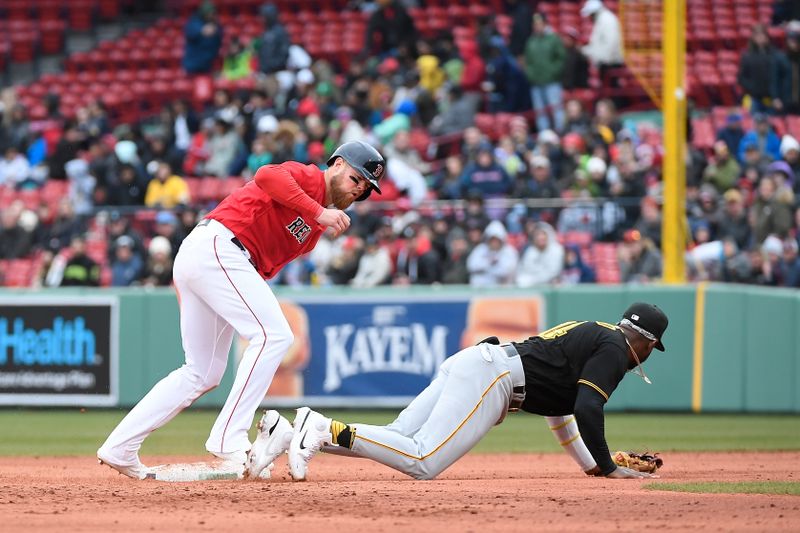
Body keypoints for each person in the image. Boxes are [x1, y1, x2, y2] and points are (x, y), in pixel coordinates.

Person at [97, 141, 386, 479]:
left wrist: (316, 217)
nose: (359, 189)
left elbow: (266, 264)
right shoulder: (307, 178)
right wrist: (318, 211)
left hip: (215, 258)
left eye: (366, 188)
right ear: (336, 165)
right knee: (274, 335)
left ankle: (120, 446)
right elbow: (266, 176)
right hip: (220, 247)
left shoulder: (313, 229)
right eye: (356, 179)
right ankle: (228, 438)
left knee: (202, 372)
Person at [245, 303, 669, 482]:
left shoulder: (597, 333)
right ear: (647, 342)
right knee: (423, 461)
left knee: (394, 439)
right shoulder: (617, 349)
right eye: (652, 348)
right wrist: (609, 468)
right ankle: (318, 426)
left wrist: (591, 466)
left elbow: (561, 411)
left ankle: (286, 435)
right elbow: (588, 406)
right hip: (496, 378)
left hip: (480, 364)